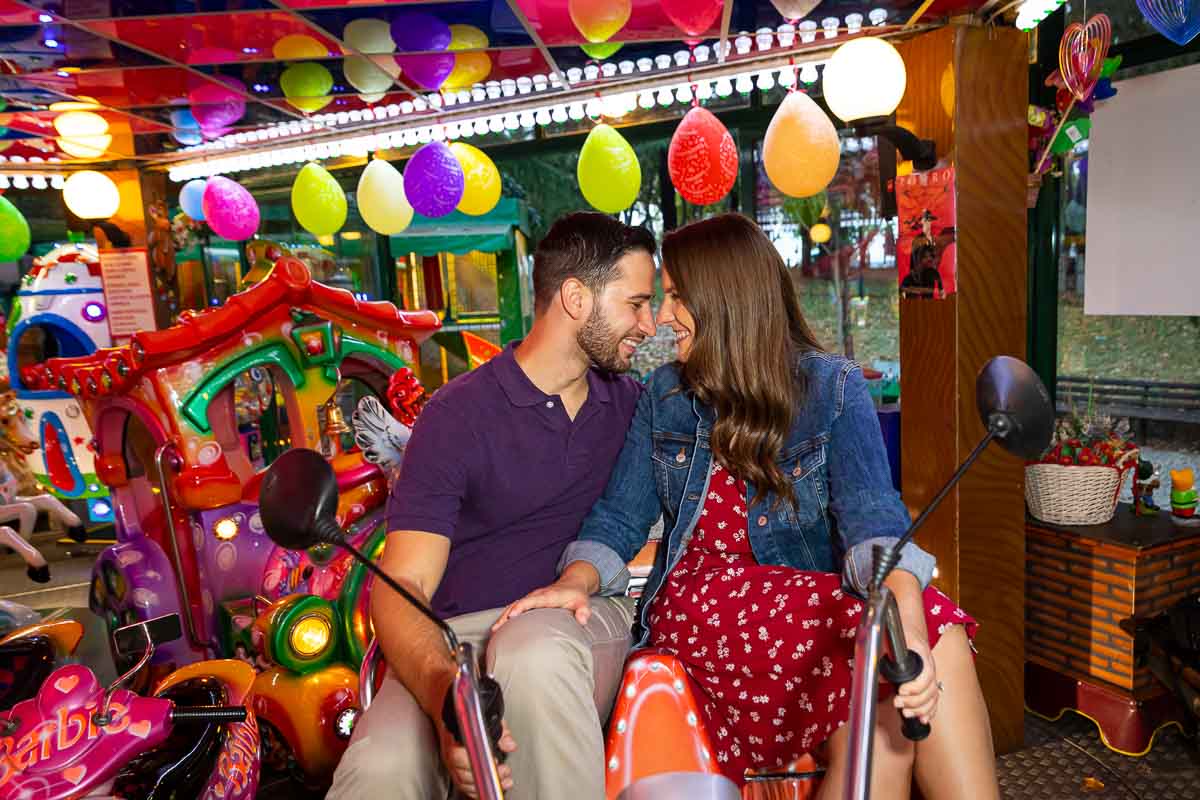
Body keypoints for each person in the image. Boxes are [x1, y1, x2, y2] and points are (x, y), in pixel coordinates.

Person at [498, 214, 999, 800]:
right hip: (699, 607)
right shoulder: (665, 394)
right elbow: (618, 517)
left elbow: (874, 521)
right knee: (899, 635)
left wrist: (906, 623)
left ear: (725, 299)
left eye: (677, 297)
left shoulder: (833, 387)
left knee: (926, 641)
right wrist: (577, 581)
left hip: (808, 600)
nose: (661, 316)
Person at [326, 212, 658, 800]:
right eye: (636, 304)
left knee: (533, 655)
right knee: (378, 771)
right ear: (577, 299)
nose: (649, 323)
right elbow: (402, 583)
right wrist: (446, 697)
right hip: (456, 642)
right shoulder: (457, 416)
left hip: (575, 623)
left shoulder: (636, 407)